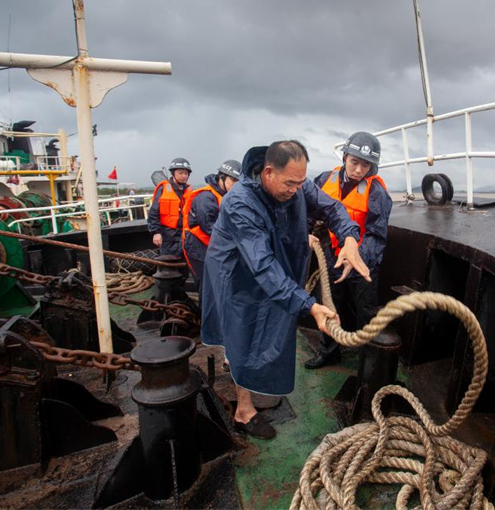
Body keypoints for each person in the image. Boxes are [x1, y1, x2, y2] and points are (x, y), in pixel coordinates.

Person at [201, 140, 371, 440]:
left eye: (301, 183)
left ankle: (249, 375)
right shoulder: (239, 201)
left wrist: (348, 239)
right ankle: (243, 410)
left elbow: (331, 207)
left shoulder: (296, 183)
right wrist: (310, 306)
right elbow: (262, 266)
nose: (296, 191)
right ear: (268, 172)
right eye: (290, 184)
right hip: (237, 272)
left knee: (273, 318)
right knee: (243, 329)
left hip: (269, 261)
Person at [305, 131, 392, 369]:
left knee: (366, 312)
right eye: (354, 162)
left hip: (363, 262)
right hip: (332, 255)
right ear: (344, 157)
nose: (358, 170)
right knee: (330, 306)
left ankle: (368, 361)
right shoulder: (325, 179)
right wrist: (306, 231)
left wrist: (355, 260)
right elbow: (309, 210)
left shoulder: (377, 193)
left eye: (365, 165)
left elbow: (376, 235)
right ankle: (329, 353)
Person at [181, 159, 241, 307]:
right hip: (198, 249)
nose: (236, 185)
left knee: (218, 284)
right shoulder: (206, 198)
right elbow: (210, 227)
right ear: (221, 177)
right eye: (233, 180)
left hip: (212, 246)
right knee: (207, 285)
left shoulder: (226, 196)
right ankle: (206, 323)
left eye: (238, 181)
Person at [148, 158, 193, 257]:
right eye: (180, 173)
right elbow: (154, 212)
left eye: (186, 173)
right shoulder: (163, 189)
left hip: (184, 234)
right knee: (169, 265)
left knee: (185, 262)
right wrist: (156, 232)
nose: (184, 176)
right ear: (173, 173)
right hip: (167, 235)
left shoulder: (188, 190)